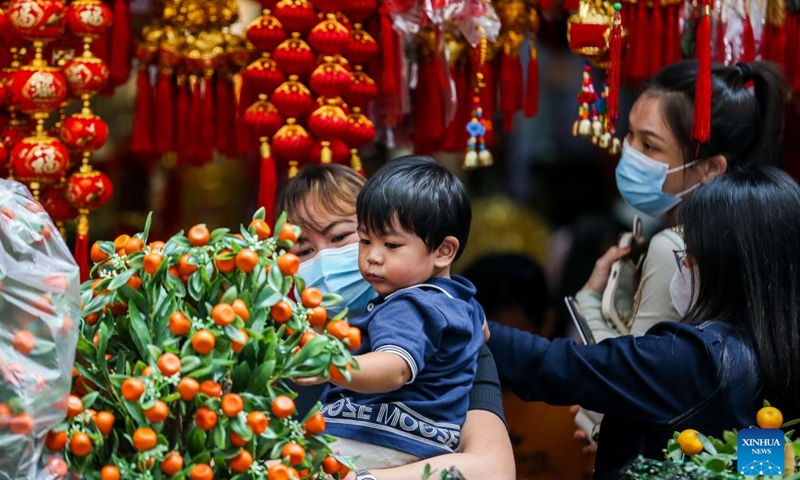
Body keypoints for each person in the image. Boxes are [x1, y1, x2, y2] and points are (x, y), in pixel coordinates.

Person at [488, 166, 800, 480]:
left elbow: (558, 366)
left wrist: (469, 322)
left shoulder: (699, 358)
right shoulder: (777, 353)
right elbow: (759, 464)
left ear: (726, 263)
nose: (685, 264)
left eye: (692, 251)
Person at [276, 163, 515, 480]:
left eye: (340, 237)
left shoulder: (421, 316)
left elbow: (492, 471)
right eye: (303, 249)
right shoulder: (271, 348)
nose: (373, 256)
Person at [575, 60, 788, 344]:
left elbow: (628, 376)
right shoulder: (752, 238)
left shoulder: (674, 250)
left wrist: (589, 299)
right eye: (630, 134)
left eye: (649, 145)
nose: (629, 152)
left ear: (711, 168)